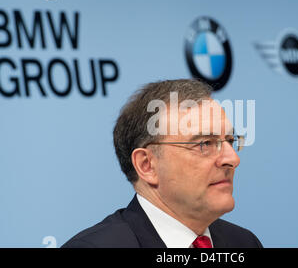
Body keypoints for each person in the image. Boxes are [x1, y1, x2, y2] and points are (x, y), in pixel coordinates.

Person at [62, 79, 262, 248]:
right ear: (147, 165)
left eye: (229, 141)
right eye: (205, 144)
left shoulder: (244, 243)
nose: (232, 159)